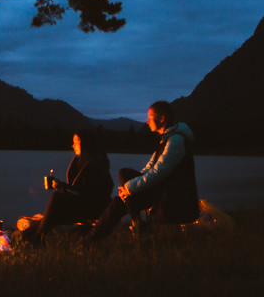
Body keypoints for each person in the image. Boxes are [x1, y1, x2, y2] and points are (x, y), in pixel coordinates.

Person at [83, 101, 198, 242]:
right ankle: (97, 236)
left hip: (172, 195)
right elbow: (148, 168)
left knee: (123, 194)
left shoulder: (176, 141)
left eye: (150, 117)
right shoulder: (166, 140)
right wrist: (128, 188)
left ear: (162, 118)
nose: (147, 121)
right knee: (121, 189)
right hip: (160, 190)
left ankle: (131, 227)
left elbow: (158, 173)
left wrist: (129, 188)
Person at [18, 128, 113, 244]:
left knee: (57, 198)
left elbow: (88, 193)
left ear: (84, 142)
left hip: (93, 209)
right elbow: (79, 190)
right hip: (83, 204)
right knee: (52, 215)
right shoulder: (82, 162)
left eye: (75, 142)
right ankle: (22, 236)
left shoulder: (96, 164)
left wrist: (63, 188)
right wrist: (63, 187)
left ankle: (37, 238)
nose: (73, 145)